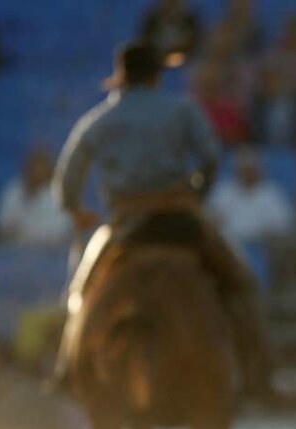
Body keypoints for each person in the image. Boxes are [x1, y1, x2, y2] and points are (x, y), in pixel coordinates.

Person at [50, 41, 272, 398]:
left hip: (125, 227)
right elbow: (211, 158)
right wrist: (195, 193)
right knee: (242, 283)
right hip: (179, 220)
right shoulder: (182, 110)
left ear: (121, 78)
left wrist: (76, 209)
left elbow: (66, 180)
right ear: (156, 76)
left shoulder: (98, 120)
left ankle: (66, 366)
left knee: (81, 292)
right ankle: (259, 370)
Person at [206, 148, 296, 246]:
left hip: (262, 246)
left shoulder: (272, 194)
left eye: (251, 169)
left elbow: (285, 225)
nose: (248, 173)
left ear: (259, 170)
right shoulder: (223, 191)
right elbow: (209, 218)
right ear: (237, 170)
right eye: (244, 169)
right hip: (229, 245)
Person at [0, 148, 72, 245]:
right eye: (33, 167)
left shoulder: (59, 195)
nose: (36, 172)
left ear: (49, 170)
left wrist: (22, 232)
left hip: (49, 254)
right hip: (15, 252)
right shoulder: (14, 190)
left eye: (41, 168)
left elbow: (59, 231)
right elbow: (2, 225)